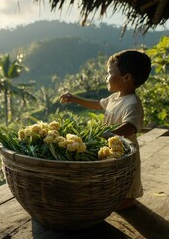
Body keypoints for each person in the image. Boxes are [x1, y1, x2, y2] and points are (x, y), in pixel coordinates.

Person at [60, 49, 152, 210]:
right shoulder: (114, 98)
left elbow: (130, 126)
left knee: (127, 180)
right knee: (113, 178)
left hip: (125, 152)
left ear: (127, 77)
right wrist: (75, 99)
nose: (106, 77)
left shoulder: (132, 103)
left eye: (109, 73)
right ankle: (115, 199)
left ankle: (128, 201)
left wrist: (107, 136)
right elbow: (97, 104)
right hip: (111, 149)